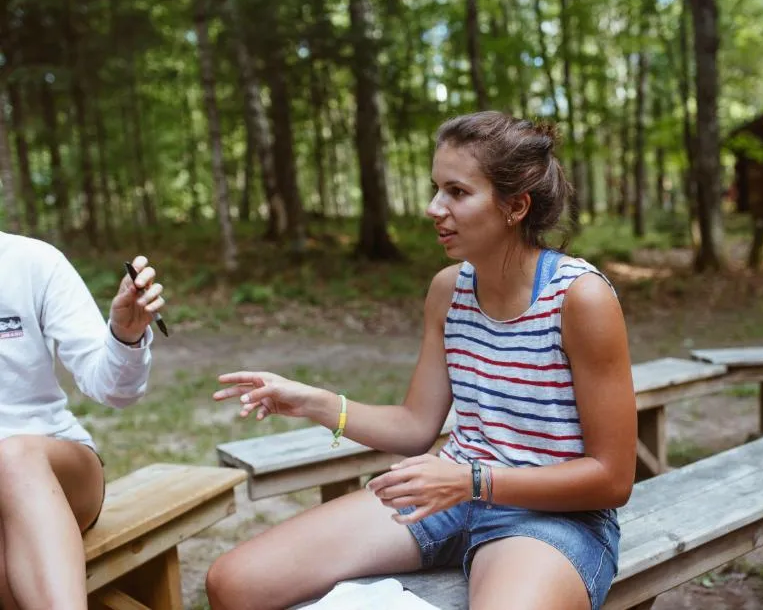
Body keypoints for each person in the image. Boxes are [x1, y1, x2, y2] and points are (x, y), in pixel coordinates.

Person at [207, 112, 637, 610]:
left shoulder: (580, 298)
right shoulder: (448, 290)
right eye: (436, 189)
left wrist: (473, 481)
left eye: (456, 192)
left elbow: (612, 478)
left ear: (515, 206)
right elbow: (415, 426)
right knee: (234, 583)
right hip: (447, 495)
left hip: (551, 517)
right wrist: (314, 402)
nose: (435, 208)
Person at [0, 231, 166, 609]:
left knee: (9, 456)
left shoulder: (33, 262)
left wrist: (125, 337)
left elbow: (113, 389)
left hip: (55, 471)